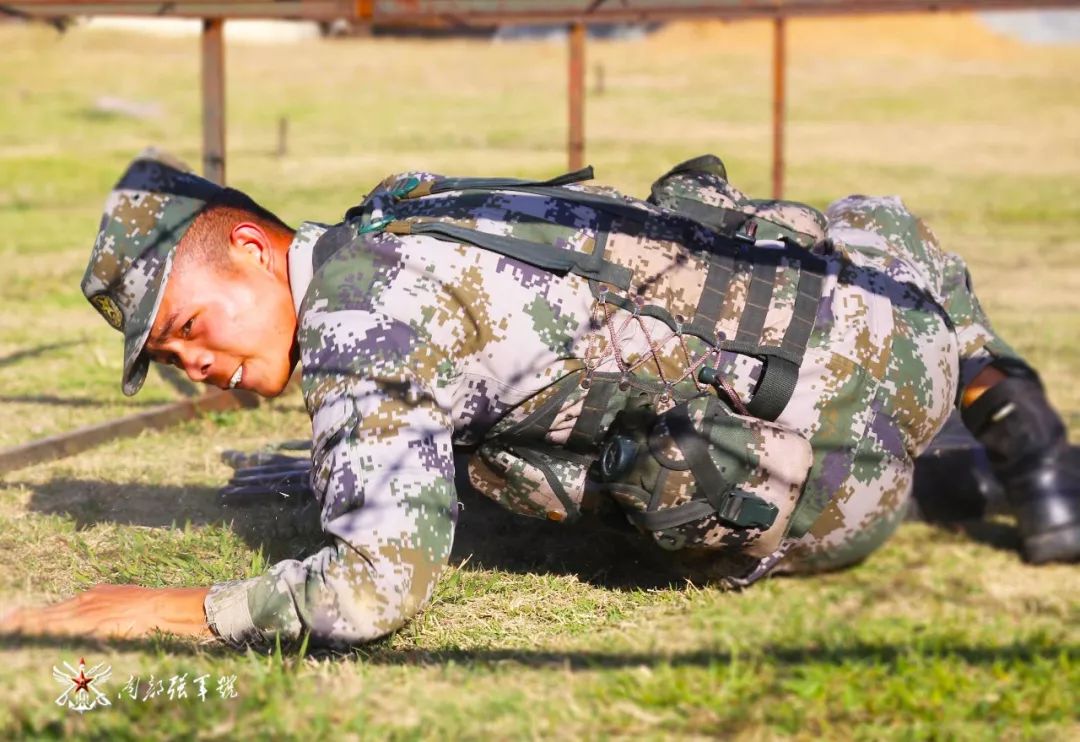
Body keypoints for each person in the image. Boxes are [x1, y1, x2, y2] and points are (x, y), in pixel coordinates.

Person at [4, 149, 1077, 646]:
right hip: (896, 308)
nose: (203, 368)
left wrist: (161, 608)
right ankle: (1003, 406)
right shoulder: (400, 213)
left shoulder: (358, 323)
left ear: (248, 243)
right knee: (833, 223)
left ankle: (939, 475)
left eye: (192, 326)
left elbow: (373, 591)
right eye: (172, 359)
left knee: (509, 475)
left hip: (825, 491)